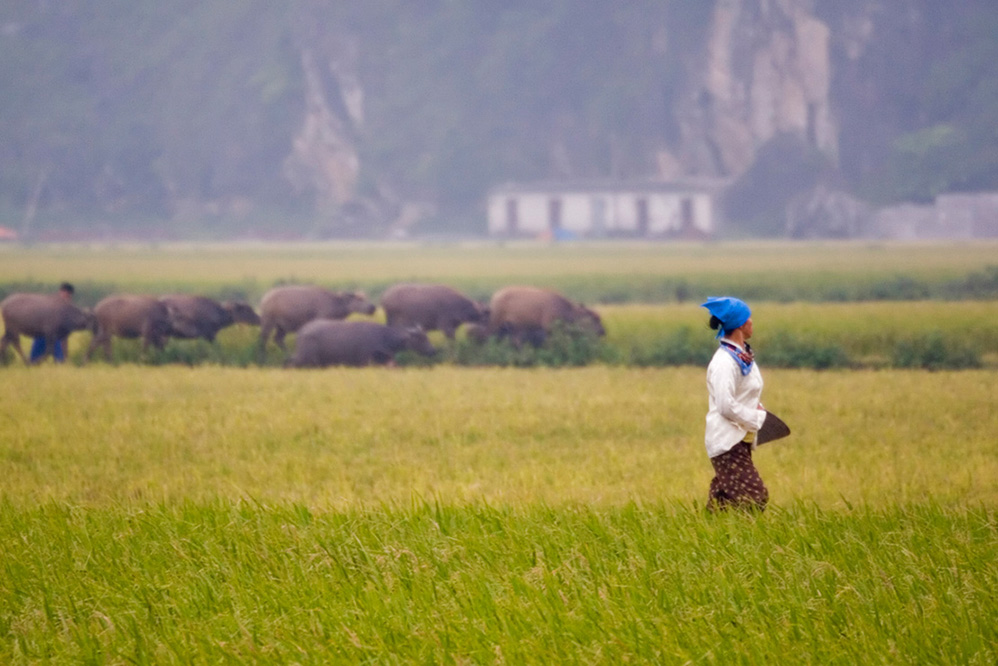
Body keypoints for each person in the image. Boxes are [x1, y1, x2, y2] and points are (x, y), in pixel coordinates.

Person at [701, 296, 769, 512]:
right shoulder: (724, 362)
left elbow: (742, 395)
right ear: (740, 324)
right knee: (755, 497)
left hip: (741, 438)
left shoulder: (742, 355)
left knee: (723, 502)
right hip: (727, 441)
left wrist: (756, 408)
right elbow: (725, 405)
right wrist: (757, 418)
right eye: (749, 318)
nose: (752, 323)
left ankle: (708, 537)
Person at [29, 282, 75, 363]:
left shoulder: (67, 308)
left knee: (59, 361)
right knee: (33, 361)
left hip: (54, 337)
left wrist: (65, 353)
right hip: (41, 335)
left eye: (69, 297)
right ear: (62, 292)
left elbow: (65, 333)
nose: (67, 298)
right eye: (66, 295)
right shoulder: (50, 303)